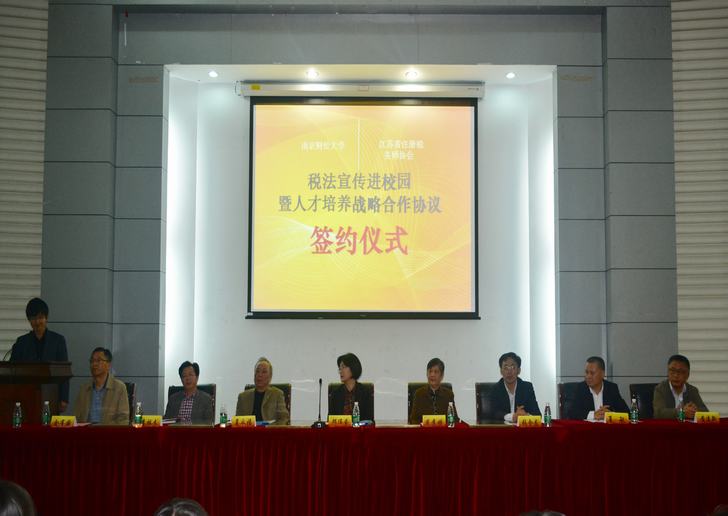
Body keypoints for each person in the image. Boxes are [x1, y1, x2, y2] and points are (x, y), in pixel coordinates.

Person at [9, 298, 69, 413]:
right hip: (25, 396)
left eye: (40, 317)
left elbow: (64, 371)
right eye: (33, 318)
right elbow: (12, 370)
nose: (37, 322)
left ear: (46, 318)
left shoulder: (58, 340)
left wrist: (64, 398)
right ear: (29, 320)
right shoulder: (21, 342)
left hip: (52, 394)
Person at [73, 347, 129, 425]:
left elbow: (123, 419)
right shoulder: (84, 389)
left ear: (108, 365)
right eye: (92, 361)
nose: (94, 364)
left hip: (109, 431)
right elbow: (76, 417)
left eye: (98, 360)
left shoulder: (119, 388)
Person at [485, 352, 541, 424]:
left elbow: (537, 415)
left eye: (513, 367)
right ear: (501, 371)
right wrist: (512, 417)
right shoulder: (495, 389)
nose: (509, 371)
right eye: (506, 368)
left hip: (522, 430)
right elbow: (493, 413)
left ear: (519, 370)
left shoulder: (527, 388)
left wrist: (525, 415)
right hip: (502, 429)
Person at [568, 356, 629, 420]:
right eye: (586, 372)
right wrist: (593, 415)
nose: (588, 376)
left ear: (602, 374)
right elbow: (571, 413)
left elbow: (627, 414)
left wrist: (610, 415)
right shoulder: (580, 388)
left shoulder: (611, 388)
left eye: (592, 373)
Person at [235, 357, 290, 425]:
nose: (260, 375)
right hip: (249, 431)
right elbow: (237, 422)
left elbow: (284, 418)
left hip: (269, 431)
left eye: (264, 372)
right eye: (257, 371)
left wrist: (269, 427)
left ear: (270, 376)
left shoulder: (277, 394)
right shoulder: (243, 397)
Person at [653, 354, 708, 420]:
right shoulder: (660, 389)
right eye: (672, 370)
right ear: (667, 372)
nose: (676, 375)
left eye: (680, 372)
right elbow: (658, 413)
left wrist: (694, 410)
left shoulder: (692, 390)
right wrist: (681, 412)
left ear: (687, 375)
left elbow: (706, 412)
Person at [409, 357, 458, 424]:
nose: (432, 375)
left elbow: (453, 420)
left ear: (442, 375)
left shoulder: (448, 395)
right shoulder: (419, 394)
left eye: (436, 372)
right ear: (427, 374)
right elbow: (414, 420)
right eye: (430, 371)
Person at [328, 352, 373, 421]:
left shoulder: (365, 392)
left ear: (353, 368)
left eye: (343, 367)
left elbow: (369, 421)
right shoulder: (335, 394)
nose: (340, 371)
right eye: (339, 368)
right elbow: (330, 420)